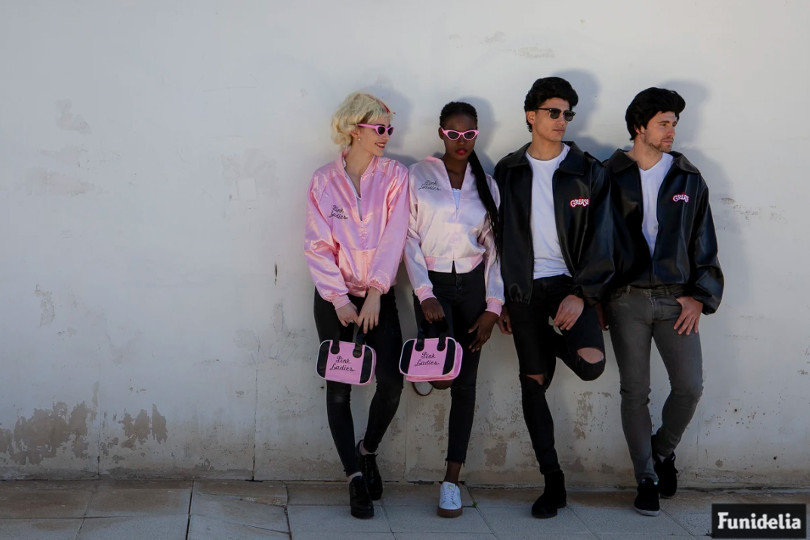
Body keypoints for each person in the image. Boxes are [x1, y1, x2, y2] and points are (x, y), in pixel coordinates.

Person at [494, 77, 613, 518]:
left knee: (591, 364)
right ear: (532, 115)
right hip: (524, 290)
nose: (562, 120)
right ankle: (553, 482)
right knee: (534, 383)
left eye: (568, 114)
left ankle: (541, 341)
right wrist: (501, 298)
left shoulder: (587, 169)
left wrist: (582, 295)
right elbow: (497, 238)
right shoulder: (508, 170)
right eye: (554, 112)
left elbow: (604, 239)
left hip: (570, 286)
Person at [604, 87, 723, 516]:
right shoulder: (608, 174)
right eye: (663, 123)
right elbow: (595, 242)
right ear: (640, 127)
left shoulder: (688, 178)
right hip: (627, 299)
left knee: (689, 387)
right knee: (635, 391)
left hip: (677, 300)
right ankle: (646, 478)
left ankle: (661, 451)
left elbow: (704, 241)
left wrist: (700, 297)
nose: (671, 131)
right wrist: (595, 296)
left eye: (674, 123)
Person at [304, 91, 409, 519]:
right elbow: (317, 245)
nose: (386, 135)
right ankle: (354, 478)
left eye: (389, 128)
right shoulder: (322, 181)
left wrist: (376, 293)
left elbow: (395, 236)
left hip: (378, 296)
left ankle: (368, 450)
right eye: (378, 128)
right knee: (339, 389)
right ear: (354, 129)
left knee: (392, 381)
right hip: (335, 299)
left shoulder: (395, 176)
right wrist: (339, 299)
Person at [404, 101, 503, 518]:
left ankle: (451, 481)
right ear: (441, 133)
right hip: (434, 285)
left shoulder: (488, 184)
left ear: (476, 134)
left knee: (465, 384)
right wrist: (423, 292)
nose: (461, 141)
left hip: (473, 288)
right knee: (443, 376)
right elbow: (408, 236)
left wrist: (493, 307)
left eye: (469, 134)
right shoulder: (418, 175)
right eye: (453, 133)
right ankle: (426, 369)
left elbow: (495, 250)